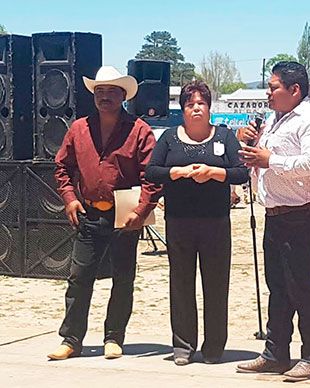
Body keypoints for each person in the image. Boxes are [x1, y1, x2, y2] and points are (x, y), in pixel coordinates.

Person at [48, 66, 161, 360]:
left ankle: (114, 337)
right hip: (88, 214)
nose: (105, 97)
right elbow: (62, 167)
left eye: (111, 91)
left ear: (123, 95)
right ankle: (71, 340)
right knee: (79, 277)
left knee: (123, 279)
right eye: (100, 91)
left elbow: (152, 175)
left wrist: (142, 209)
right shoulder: (78, 129)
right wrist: (70, 198)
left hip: (125, 216)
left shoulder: (139, 130)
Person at [235, 61, 310, 382]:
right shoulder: (274, 122)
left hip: (302, 214)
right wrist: (249, 147)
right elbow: (258, 163)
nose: (268, 92)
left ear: (295, 90)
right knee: (277, 286)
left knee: (300, 284)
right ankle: (276, 353)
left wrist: (269, 159)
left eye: (274, 86)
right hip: (275, 214)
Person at [145, 81, 249, 366]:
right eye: (190, 104)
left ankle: (214, 346)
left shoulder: (225, 137)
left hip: (216, 222)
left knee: (216, 284)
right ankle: (183, 345)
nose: (196, 109)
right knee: (181, 283)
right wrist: (176, 172)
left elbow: (241, 173)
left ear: (210, 107)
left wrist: (215, 172)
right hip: (179, 221)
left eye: (201, 103)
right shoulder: (169, 137)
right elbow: (152, 171)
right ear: (183, 109)